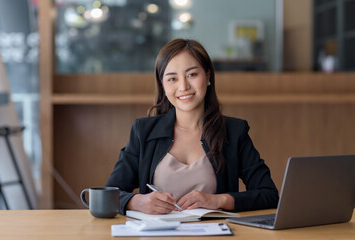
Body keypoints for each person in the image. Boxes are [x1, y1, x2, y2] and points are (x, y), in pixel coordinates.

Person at [106, 39, 279, 215]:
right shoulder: (143, 132)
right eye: (172, 78)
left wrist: (219, 200)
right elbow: (109, 194)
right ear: (163, 85)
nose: (183, 86)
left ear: (208, 76)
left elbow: (269, 195)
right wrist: (138, 202)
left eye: (192, 75)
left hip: (215, 233)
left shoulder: (234, 132)